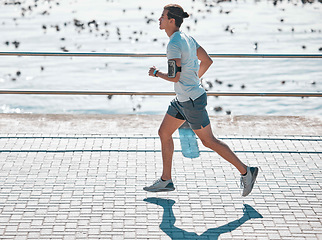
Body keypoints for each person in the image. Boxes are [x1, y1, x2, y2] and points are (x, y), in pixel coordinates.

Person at [143, 4, 258, 197]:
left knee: (208, 141)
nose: (159, 19)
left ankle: (247, 171)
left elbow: (174, 77)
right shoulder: (186, 38)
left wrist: (156, 73)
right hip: (183, 99)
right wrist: (194, 79)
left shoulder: (173, 44)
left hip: (191, 101)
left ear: (172, 20)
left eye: (162, 16)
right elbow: (207, 61)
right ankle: (166, 180)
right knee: (164, 132)